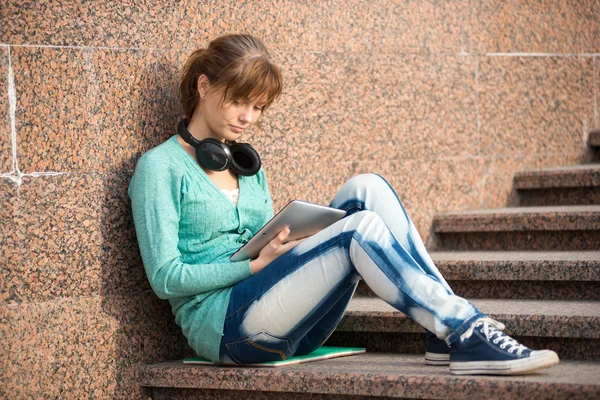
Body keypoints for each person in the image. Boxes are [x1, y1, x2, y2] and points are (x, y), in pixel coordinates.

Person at [128, 33, 559, 375]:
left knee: (366, 187)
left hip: (288, 316)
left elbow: (264, 241)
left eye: (258, 107)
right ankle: (465, 328)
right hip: (229, 331)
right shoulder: (160, 168)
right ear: (204, 86)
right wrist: (254, 267)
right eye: (239, 101)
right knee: (358, 229)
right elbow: (166, 278)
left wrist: (296, 239)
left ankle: (443, 330)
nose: (248, 118)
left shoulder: (245, 163)